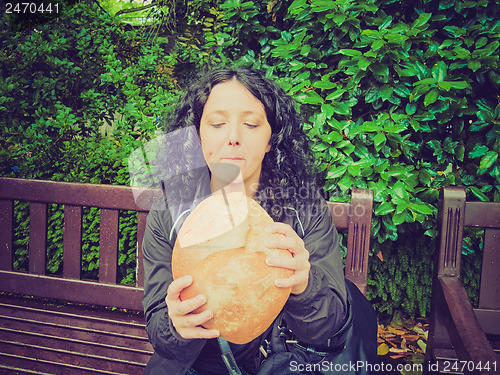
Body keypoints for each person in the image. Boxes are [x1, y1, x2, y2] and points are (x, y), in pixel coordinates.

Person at [141, 67, 376, 375]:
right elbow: (161, 335)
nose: (233, 138)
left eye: (251, 124)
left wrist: (304, 285)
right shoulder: (169, 214)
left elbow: (327, 327)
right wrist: (176, 325)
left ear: (270, 140)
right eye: (217, 123)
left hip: (286, 362)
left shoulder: (304, 211)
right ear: (198, 135)